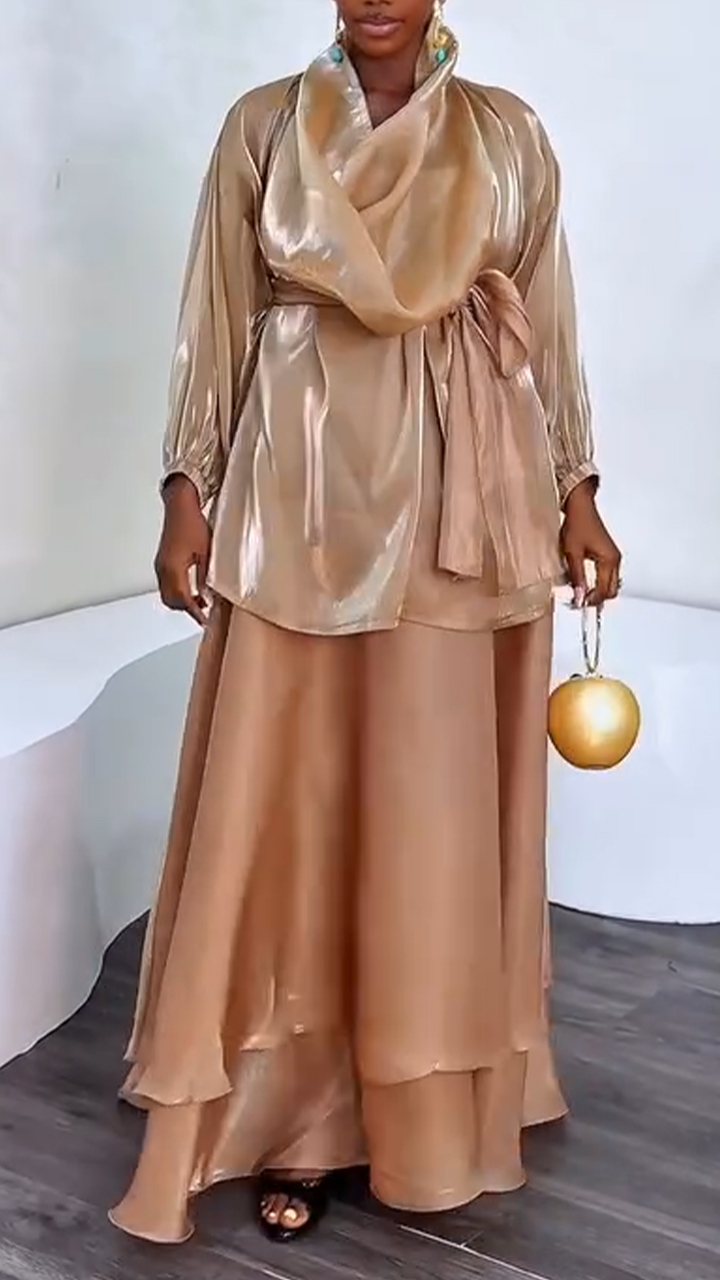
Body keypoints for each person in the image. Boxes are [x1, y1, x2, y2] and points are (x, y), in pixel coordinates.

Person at [110, 0, 622, 1247]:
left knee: (427, 815)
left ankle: (430, 1099)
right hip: (301, 501)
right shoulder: (265, 127)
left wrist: (578, 491)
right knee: (292, 804)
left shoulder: (508, 136)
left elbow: (547, 323)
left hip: (463, 497)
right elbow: (215, 318)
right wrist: (187, 492)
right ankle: (297, 1110)